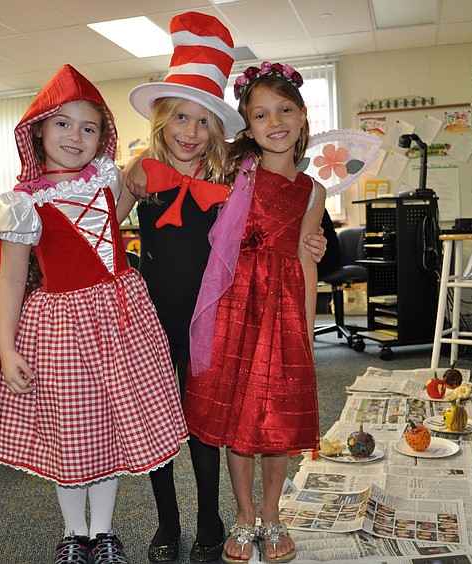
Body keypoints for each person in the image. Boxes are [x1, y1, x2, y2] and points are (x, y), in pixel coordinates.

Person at [122, 13, 327, 563]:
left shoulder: (225, 177)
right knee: (169, 417)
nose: (189, 132)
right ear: (162, 120)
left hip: (224, 316)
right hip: (161, 319)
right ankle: (173, 519)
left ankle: (219, 516)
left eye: (202, 122)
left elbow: (294, 231)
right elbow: (103, 221)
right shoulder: (142, 176)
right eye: (179, 119)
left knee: (216, 418)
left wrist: (312, 253)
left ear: (219, 132)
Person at [0, 64, 188, 564]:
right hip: (61, 329)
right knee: (71, 429)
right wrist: (6, 349)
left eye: (89, 127)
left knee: (109, 425)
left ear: (103, 136)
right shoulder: (20, 204)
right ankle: (75, 531)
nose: (76, 136)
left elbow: (113, 223)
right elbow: (10, 278)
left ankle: (106, 531)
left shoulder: (110, 180)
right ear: (37, 132)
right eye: (63, 124)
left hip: (121, 321)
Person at [184, 62, 326, 563]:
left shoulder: (314, 190)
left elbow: (307, 261)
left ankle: (272, 514)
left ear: (303, 116)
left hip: (284, 310)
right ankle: (243, 517)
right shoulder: (235, 172)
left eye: (285, 110)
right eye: (261, 114)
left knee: (277, 420)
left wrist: (306, 330)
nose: (276, 121)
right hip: (235, 308)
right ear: (248, 124)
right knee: (239, 418)